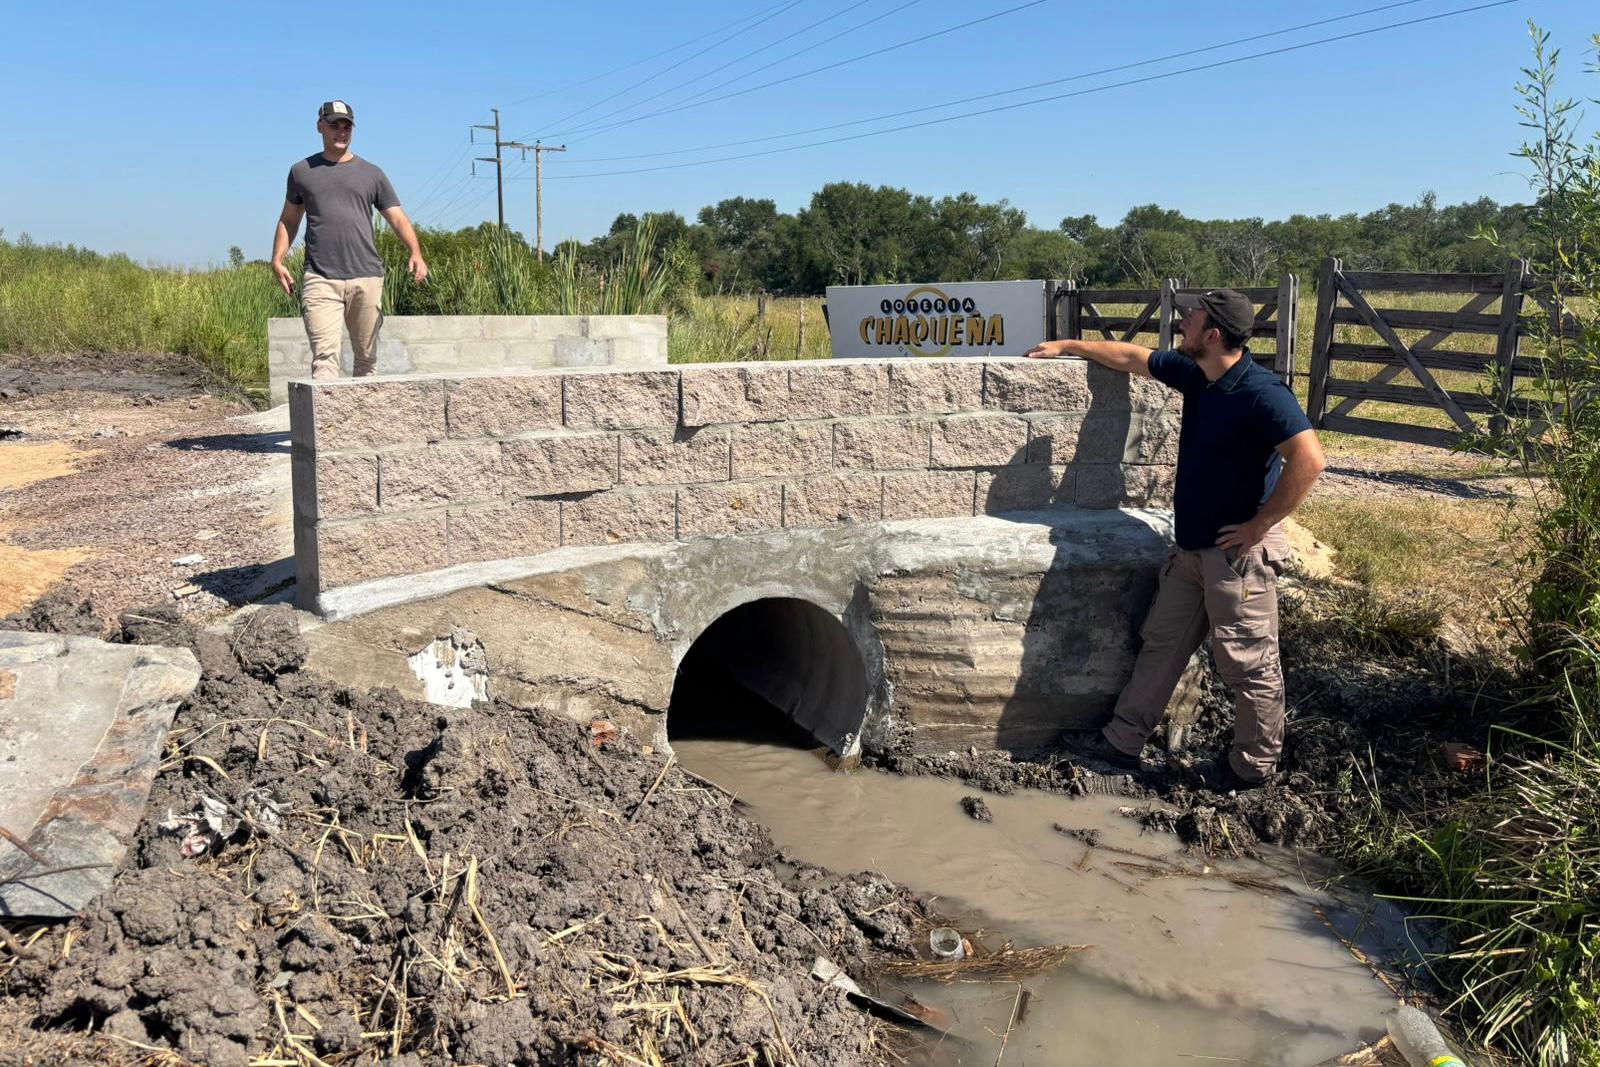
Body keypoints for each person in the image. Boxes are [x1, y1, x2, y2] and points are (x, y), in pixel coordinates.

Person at [1025, 288, 1326, 789]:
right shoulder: (1198, 375)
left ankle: (1250, 771)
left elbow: (1310, 459)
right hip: (1191, 553)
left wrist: (1259, 525)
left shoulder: (1261, 392)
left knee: (1249, 666)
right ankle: (1122, 744)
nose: (1182, 322)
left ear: (1213, 334)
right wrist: (1068, 345)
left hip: (1237, 560)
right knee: (1161, 647)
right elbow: (1131, 356)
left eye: (1192, 317)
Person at [270, 100, 428, 380]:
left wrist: (415, 252)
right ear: (320, 126)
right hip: (320, 277)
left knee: (366, 360)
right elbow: (289, 220)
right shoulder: (301, 172)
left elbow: (398, 218)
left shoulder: (372, 173)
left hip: (366, 276)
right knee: (324, 359)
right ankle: (326, 425)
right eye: (334, 125)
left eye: (346, 126)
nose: (341, 131)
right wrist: (278, 258)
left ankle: (364, 424)